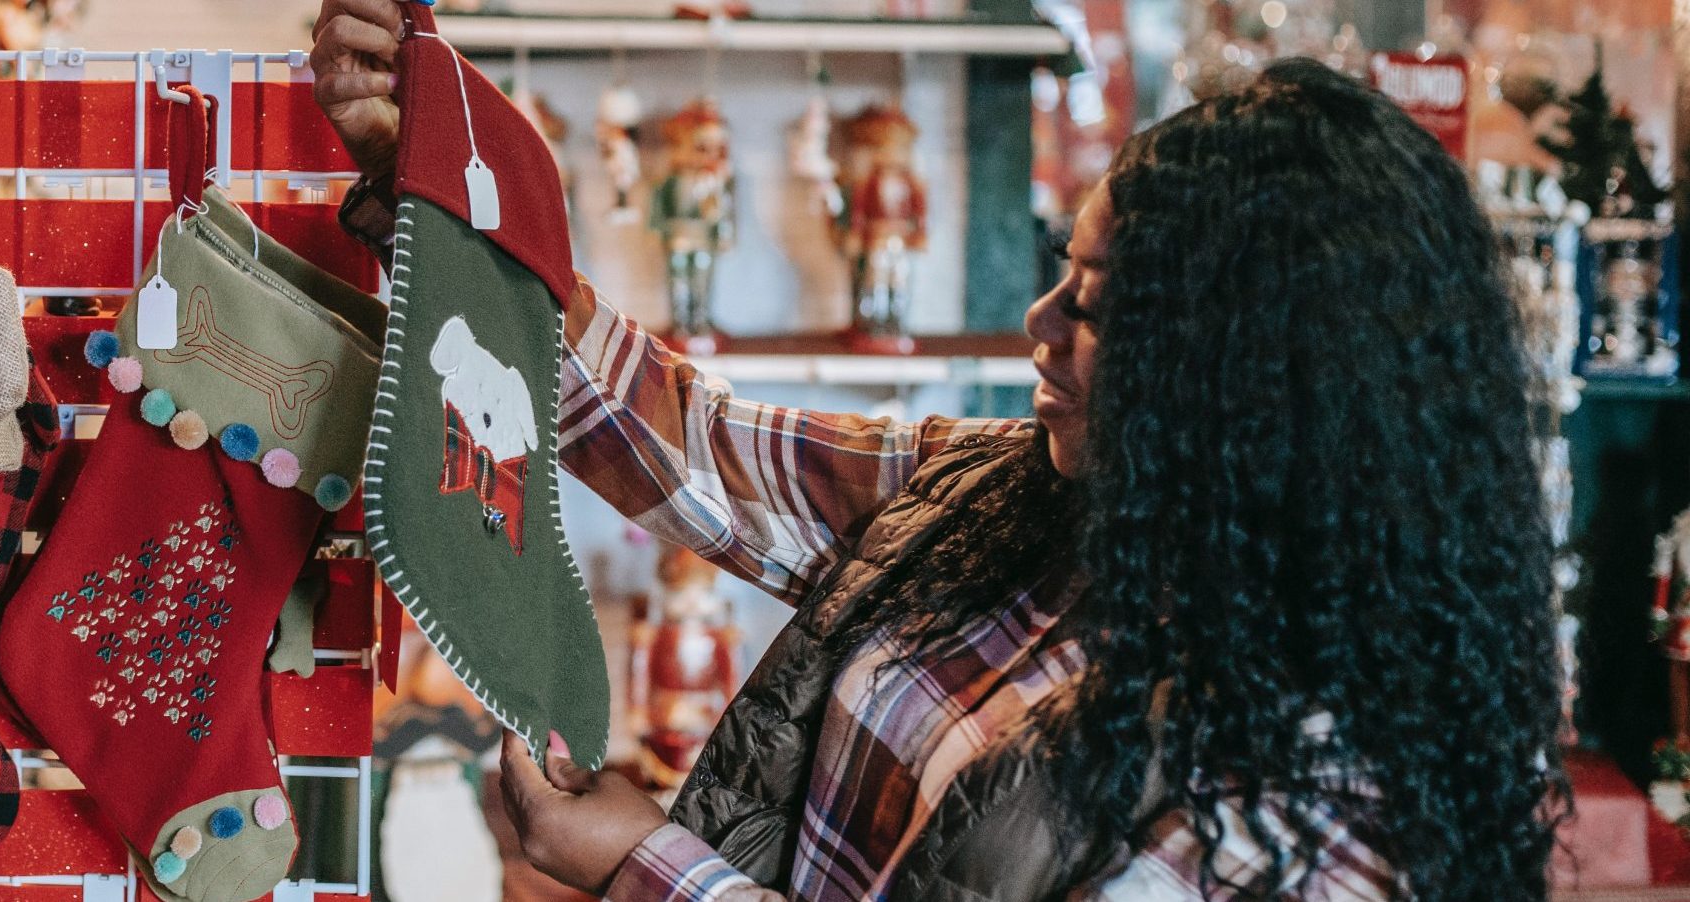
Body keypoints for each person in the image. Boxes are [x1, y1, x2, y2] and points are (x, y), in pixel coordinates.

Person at [310, 1, 1568, 898]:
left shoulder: (1308, 808)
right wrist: (441, 191)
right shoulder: (1013, 495)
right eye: (1058, 277)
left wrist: (650, 868)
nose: (1039, 327)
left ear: (1264, 380)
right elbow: (703, 448)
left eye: (1098, 307)